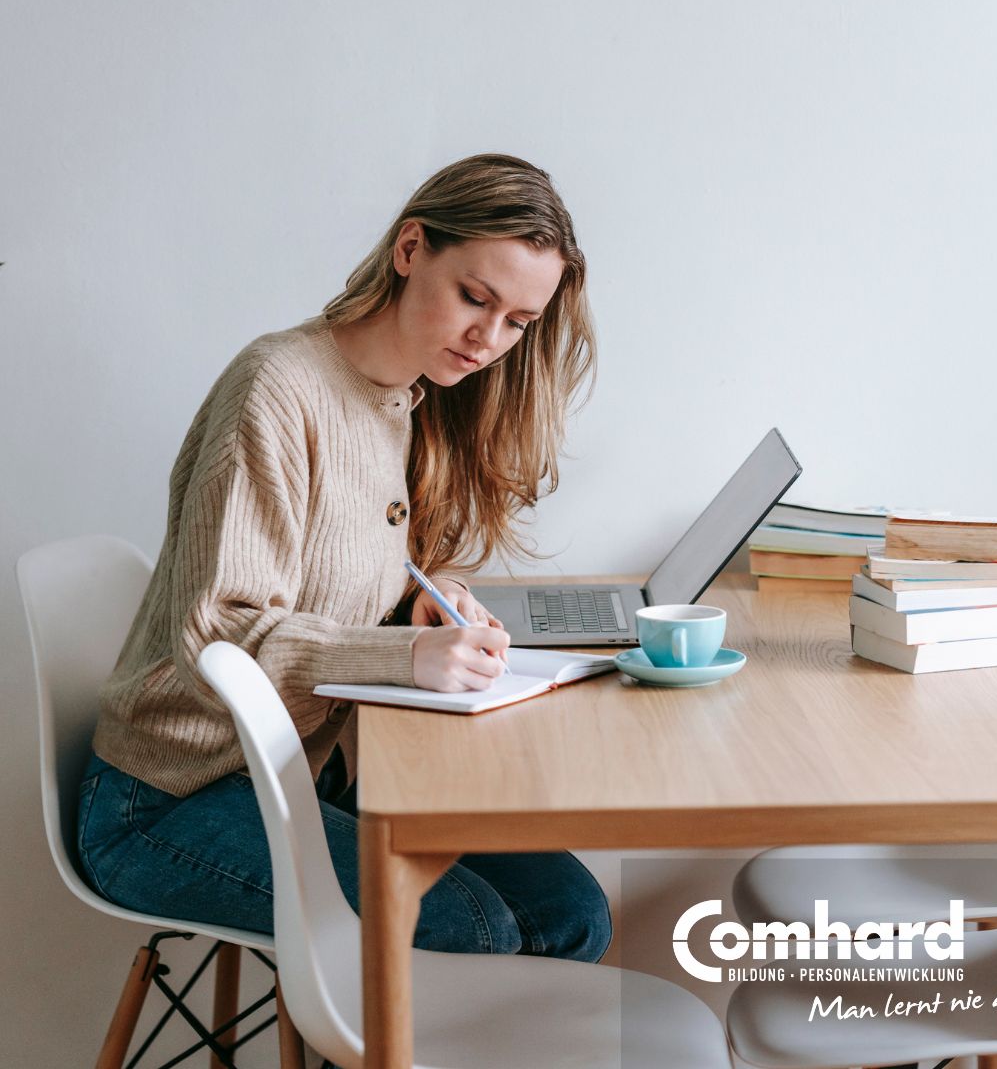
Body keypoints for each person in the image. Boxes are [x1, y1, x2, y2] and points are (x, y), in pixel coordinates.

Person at [77, 153, 611, 962]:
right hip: (170, 796)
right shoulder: (278, 390)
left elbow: (338, 567)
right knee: (469, 927)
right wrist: (404, 654)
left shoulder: (407, 398)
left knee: (572, 913)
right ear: (410, 250)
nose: (489, 339)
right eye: (475, 297)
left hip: (306, 771)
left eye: (518, 322)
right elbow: (216, 635)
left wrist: (424, 603)